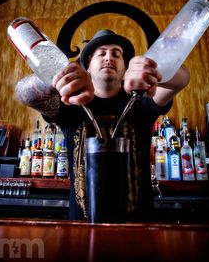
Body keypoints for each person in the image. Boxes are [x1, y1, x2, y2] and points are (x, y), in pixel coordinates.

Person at [15, 29, 190, 221]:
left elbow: (181, 80)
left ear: (125, 69)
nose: (109, 57)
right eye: (101, 53)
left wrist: (155, 71)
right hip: (81, 232)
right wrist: (58, 77)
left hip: (139, 231)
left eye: (117, 54)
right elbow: (25, 94)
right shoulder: (70, 103)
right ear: (87, 66)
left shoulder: (142, 101)